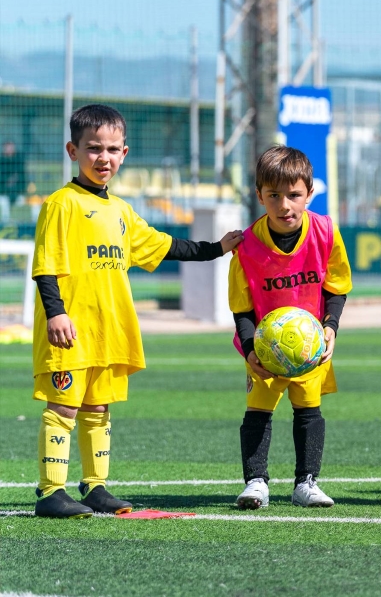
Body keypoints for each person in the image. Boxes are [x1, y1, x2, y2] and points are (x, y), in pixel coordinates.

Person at [31, 104, 242, 518]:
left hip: (108, 331)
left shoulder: (121, 212)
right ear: (73, 151)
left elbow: (164, 246)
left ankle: (94, 487)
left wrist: (217, 248)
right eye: (93, 149)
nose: (103, 158)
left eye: (112, 149)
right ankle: (50, 491)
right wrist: (56, 313)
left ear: (124, 153)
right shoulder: (62, 203)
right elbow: (46, 265)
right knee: (64, 407)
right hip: (70, 329)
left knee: (97, 409)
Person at [230, 146, 352, 510]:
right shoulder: (247, 246)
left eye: (294, 195)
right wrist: (252, 349)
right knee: (258, 410)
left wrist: (330, 327)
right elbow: (242, 307)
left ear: (309, 194)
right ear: (259, 196)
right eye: (274, 196)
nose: (285, 205)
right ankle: (255, 483)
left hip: (310, 347)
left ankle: (307, 483)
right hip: (264, 349)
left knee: (309, 409)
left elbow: (336, 287)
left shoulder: (326, 232)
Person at [0, 140, 27, 220]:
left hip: (18, 190)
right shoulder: (1, 160)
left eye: (10, 147)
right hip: (3, 190)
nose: (9, 149)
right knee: (4, 201)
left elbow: (21, 176)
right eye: (7, 147)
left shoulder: (18, 160)